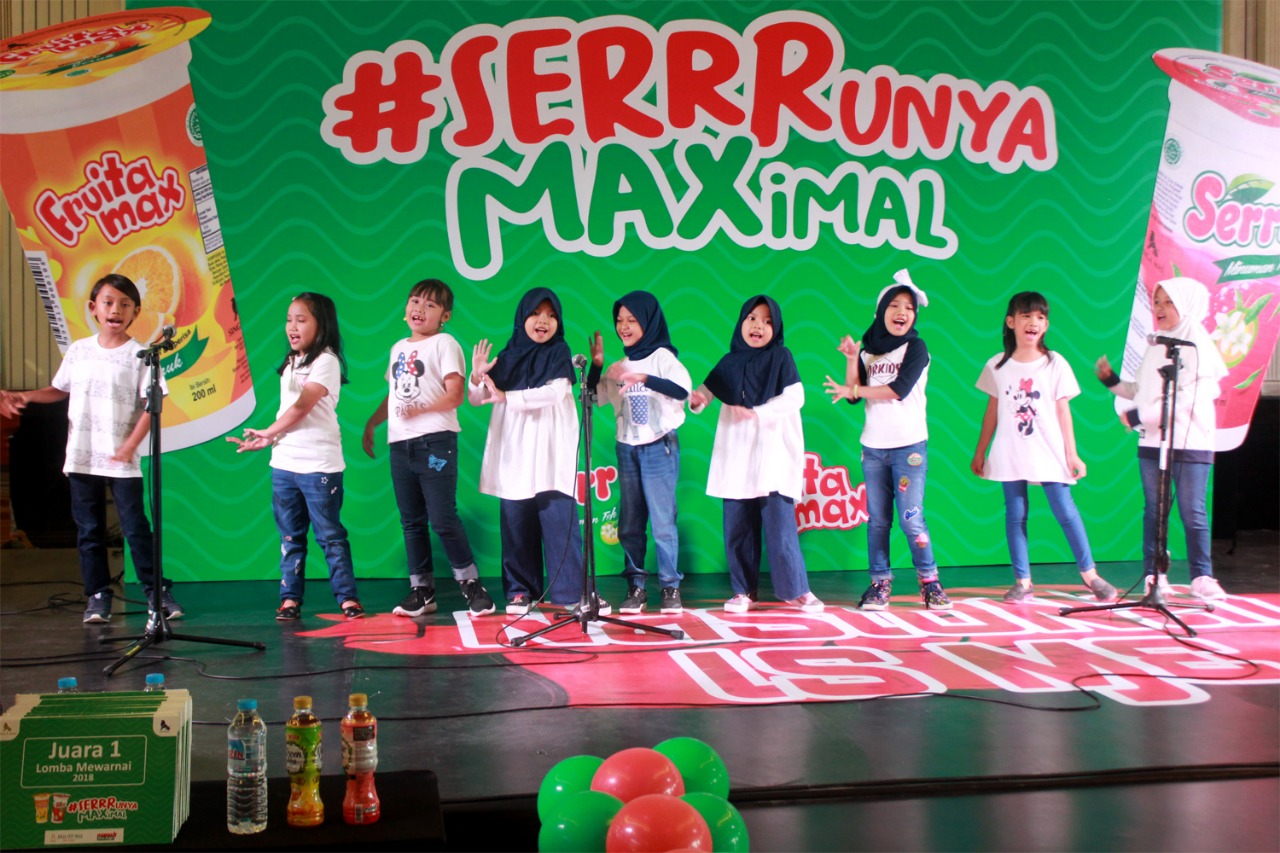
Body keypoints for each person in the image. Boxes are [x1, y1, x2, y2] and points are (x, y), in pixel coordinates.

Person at [0, 273, 182, 624]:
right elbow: (59, 389)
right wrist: (25, 396)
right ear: (93, 308)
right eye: (108, 302)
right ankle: (98, 595)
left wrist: (130, 445)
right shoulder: (79, 350)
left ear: (135, 312)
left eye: (125, 304)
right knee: (89, 530)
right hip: (82, 455)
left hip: (121, 459)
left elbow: (152, 405)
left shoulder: (141, 355)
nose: (116, 310)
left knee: (135, 528)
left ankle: (156, 590)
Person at [970, 291, 1119, 605]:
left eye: (1039, 317)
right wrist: (981, 451)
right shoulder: (996, 365)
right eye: (1026, 316)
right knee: (1015, 514)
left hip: (1048, 449)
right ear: (1011, 322)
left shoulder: (1055, 363)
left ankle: (1090, 575)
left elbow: (1063, 411)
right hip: (1010, 450)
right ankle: (1022, 582)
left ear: (1046, 325)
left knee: (1065, 511)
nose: (1033, 322)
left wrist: (1072, 454)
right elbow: (991, 411)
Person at [363, 278, 495, 618]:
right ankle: (422, 591)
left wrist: (420, 409)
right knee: (411, 522)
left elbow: (455, 395)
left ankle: (471, 585)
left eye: (430, 304)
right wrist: (373, 423)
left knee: (443, 518)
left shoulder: (445, 343)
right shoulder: (397, 348)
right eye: (414, 301)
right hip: (400, 445)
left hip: (435, 442)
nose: (419, 308)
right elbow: (394, 394)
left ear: (445, 316)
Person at [228, 292, 364, 620]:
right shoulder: (292, 361)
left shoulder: (326, 361)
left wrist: (268, 431)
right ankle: (290, 599)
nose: (292, 326)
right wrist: (269, 441)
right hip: (284, 465)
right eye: (289, 320)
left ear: (321, 324)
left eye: (301, 320)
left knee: (330, 536)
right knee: (290, 537)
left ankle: (348, 598)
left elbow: (303, 406)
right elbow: (287, 410)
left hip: (319, 466)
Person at [469, 287, 604, 615]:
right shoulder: (508, 355)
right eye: (535, 314)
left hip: (550, 448)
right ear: (522, 318)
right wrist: (476, 376)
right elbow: (478, 398)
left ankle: (573, 592)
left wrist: (508, 397)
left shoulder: (560, 351)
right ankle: (520, 591)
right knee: (515, 523)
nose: (543, 321)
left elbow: (554, 393)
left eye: (551, 315)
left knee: (559, 521)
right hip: (514, 448)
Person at [824, 270, 951, 611]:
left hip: (909, 447)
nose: (902, 312)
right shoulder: (868, 352)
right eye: (895, 305)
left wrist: (853, 388)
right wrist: (851, 359)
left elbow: (898, 390)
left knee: (911, 518)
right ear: (881, 311)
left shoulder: (916, 347)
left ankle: (930, 582)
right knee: (878, 521)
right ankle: (879, 584)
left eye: (909, 307)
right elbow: (854, 397)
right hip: (873, 448)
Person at [1095, 276, 1229, 601]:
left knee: (1192, 512)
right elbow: (1139, 390)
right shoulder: (1156, 344)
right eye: (1157, 301)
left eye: (1168, 302)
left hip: (1190, 442)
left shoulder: (1197, 345)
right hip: (1153, 441)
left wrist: (1139, 416)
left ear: (1186, 304)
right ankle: (1154, 575)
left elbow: (1185, 398)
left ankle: (1202, 577)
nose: (1160, 308)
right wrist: (1111, 380)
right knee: (1154, 512)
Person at [690, 294, 823, 613]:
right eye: (752, 318)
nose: (758, 326)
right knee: (737, 528)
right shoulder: (729, 361)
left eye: (767, 321)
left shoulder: (781, 357)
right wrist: (697, 401)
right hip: (737, 454)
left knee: (780, 529)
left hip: (772, 454)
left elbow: (796, 397)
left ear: (776, 328)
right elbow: (706, 393)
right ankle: (743, 591)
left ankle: (797, 590)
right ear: (741, 323)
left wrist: (758, 412)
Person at [588, 291, 692, 614]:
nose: (624, 327)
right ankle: (636, 587)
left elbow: (683, 390)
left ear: (648, 321)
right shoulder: (618, 366)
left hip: (659, 445)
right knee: (631, 523)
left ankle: (670, 586)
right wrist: (597, 366)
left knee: (662, 521)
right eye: (619, 320)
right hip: (627, 448)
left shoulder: (662, 357)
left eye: (632, 320)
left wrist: (645, 378)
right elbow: (593, 397)